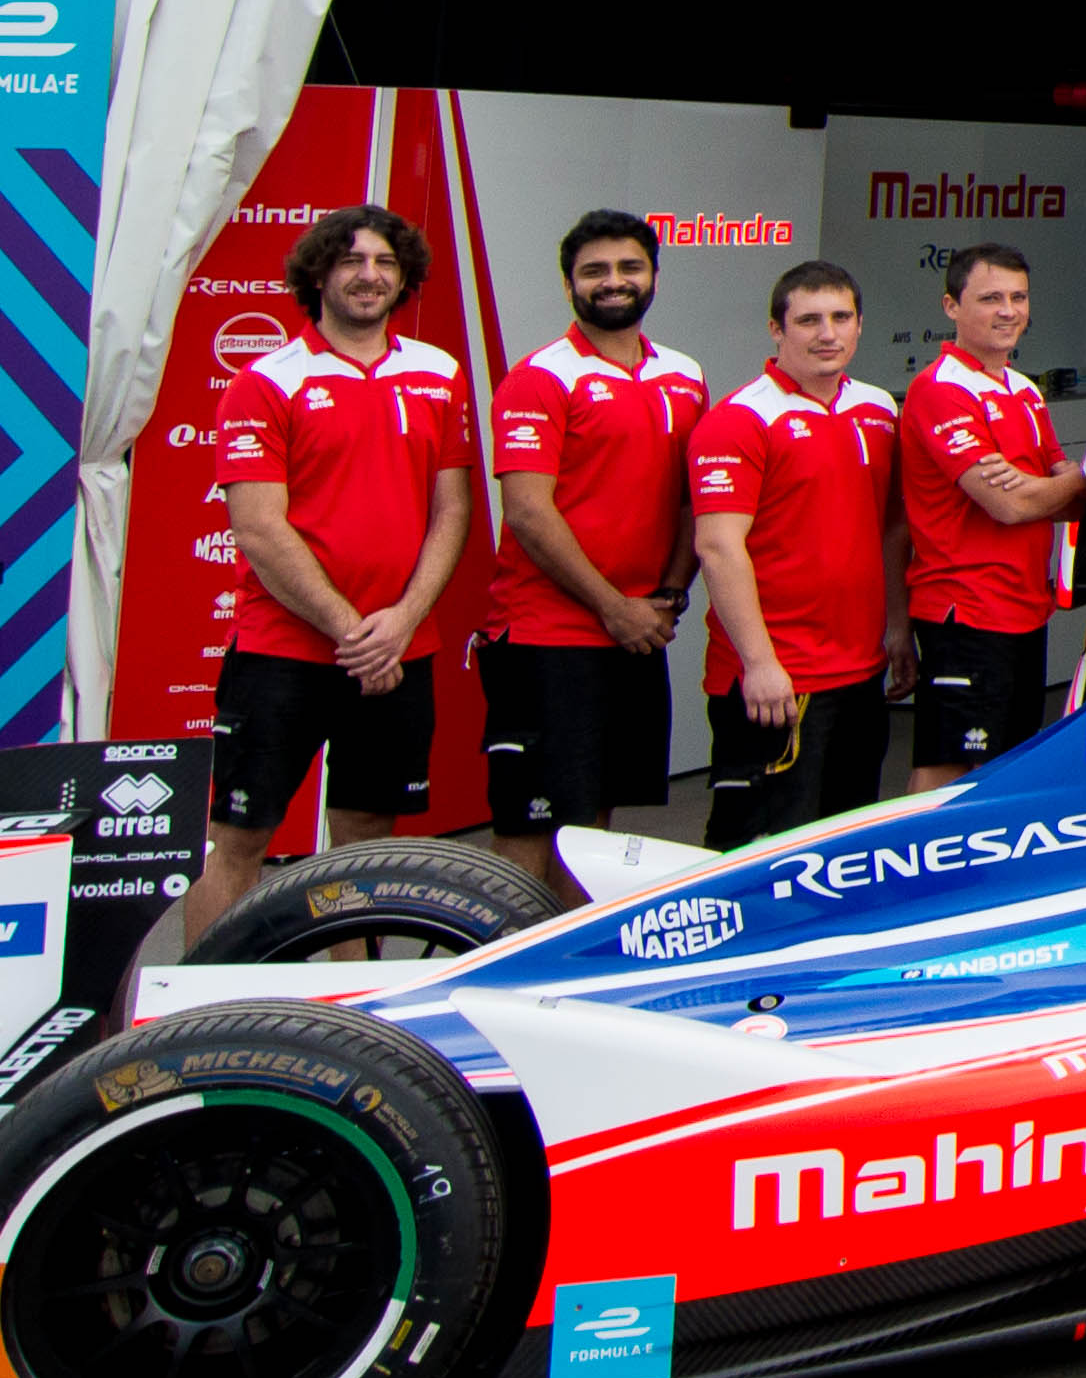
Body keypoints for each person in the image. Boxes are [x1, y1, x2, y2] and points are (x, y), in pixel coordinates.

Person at [180, 203, 482, 946]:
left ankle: (352, 1001)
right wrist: (355, 632)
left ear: (403, 275)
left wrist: (403, 621)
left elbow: (453, 510)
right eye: (350, 260)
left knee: (362, 841)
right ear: (318, 273)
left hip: (399, 650)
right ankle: (197, 1012)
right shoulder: (267, 380)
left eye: (383, 261)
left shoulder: (438, 372)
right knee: (239, 837)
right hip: (284, 652)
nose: (368, 275)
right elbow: (257, 526)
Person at [476, 207, 703, 894]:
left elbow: (696, 497)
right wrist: (614, 606)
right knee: (531, 820)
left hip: (636, 633)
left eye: (629, 267)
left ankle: (563, 973)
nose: (614, 281)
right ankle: (502, 968)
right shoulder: (541, 376)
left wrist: (663, 597)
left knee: (593, 823)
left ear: (654, 275)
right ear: (570, 282)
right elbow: (526, 509)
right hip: (547, 635)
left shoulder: (684, 374)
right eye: (594, 270)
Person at [690, 258, 904, 851]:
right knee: (753, 850)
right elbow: (717, 545)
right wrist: (759, 663)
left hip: (861, 672)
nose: (827, 333)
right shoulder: (740, 419)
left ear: (860, 326)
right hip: (777, 680)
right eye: (808, 320)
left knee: (842, 846)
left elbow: (890, 530)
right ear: (777, 330)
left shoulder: (879, 409)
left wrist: (897, 629)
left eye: (841, 317)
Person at [898, 240, 1086, 788]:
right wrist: (1067, 479)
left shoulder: (1022, 389)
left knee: (1003, 767)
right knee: (948, 767)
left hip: (1022, 608)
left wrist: (1057, 484)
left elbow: (1070, 497)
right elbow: (1006, 504)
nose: (1009, 310)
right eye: (990, 298)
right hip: (966, 609)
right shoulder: (940, 390)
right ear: (952, 307)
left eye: (1019, 297)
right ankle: (928, 874)